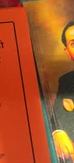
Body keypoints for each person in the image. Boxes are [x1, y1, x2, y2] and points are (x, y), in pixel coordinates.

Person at [53, 22, 74, 160]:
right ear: (68, 52)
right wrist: (58, 132)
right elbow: (57, 115)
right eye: (73, 43)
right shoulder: (66, 81)